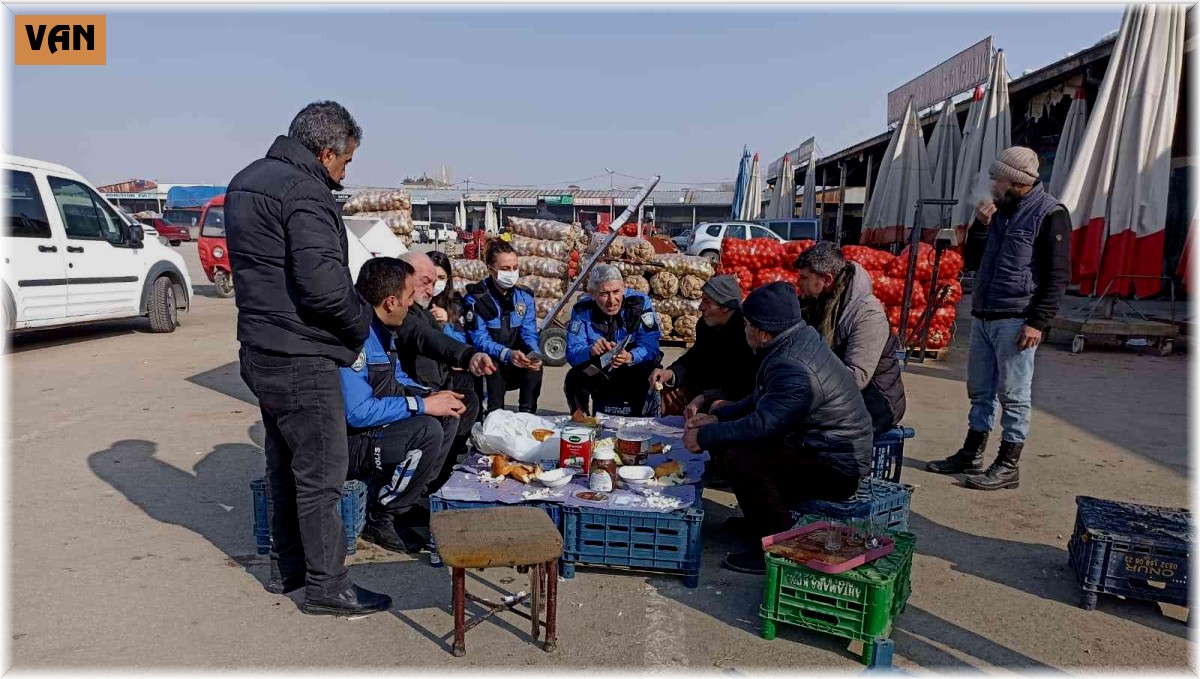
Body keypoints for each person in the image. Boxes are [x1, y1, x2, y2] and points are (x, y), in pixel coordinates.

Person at [227, 101, 390, 615]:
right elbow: (323, 288)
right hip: (301, 354)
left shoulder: (246, 181)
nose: (344, 174)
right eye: (345, 163)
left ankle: (289, 567)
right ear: (326, 153)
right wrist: (362, 322)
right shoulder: (306, 191)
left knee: (283, 464)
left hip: (260, 350)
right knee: (320, 475)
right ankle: (327, 586)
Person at [684, 282, 873, 575]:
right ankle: (759, 521)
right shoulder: (793, 341)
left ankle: (777, 545)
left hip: (836, 465)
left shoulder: (794, 365)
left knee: (742, 459)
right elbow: (762, 398)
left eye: (746, 324)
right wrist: (719, 417)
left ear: (761, 331)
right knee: (734, 444)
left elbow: (763, 425)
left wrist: (705, 436)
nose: (743, 329)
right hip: (813, 445)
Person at [926, 146, 1070, 491]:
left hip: (1017, 319)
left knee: (1014, 394)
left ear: (1016, 181)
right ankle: (972, 453)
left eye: (997, 178)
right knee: (981, 390)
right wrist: (980, 226)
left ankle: (1008, 464)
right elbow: (974, 261)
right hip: (985, 314)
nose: (991, 183)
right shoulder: (1000, 212)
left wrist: (1038, 321)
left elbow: (1058, 275)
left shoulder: (1051, 214)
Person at [340, 258, 466, 554]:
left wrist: (434, 396)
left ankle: (407, 500)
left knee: (448, 415)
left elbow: (395, 377)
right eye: (410, 298)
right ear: (391, 301)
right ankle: (382, 515)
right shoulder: (356, 338)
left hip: (375, 429)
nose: (412, 306)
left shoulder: (382, 331)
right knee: (427, 430)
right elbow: (357, 412)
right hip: (350, 442)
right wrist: (422, 404)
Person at [395, 251, 493, 493]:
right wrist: (467, 355)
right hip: (407, 389)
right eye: (426, 281)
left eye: (437, 281)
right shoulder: (403, 311)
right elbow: (425, 338)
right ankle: (419, 489)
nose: (431, 290)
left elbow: (439, 339)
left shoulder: (424, 310)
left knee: (467, 397)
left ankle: (441, 474)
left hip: (431, 381)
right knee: (449, 409)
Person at [794, 242, 906, 435]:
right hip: (836, 388)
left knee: (802, 425)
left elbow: (856, 377)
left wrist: (807, 387)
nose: (799, 283)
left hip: (875, 400)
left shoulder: (868, 314)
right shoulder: (817, 300)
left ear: (827, 279)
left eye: (804, 278)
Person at [649, 275, 756, 417]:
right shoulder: (705, 325)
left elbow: (745, 384)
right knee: (665, 391)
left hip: (734, 397)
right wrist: (671, 373)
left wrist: (706, 397)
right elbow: (695, 357)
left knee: (717, 408)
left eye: (707, 301)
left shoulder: (747, 333)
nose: (700, 307)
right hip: (702, 389)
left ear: (724, 307)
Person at [564, 263, 662, 416]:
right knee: (574, 378)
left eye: (616, 292)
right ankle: (582, 423)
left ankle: (642, 424)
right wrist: (590, 351)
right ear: (592, 293)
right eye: (604, 293)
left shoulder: (639, 303)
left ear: (624, 287)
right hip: (600, 366)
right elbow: (572, 352)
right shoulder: (582, 309)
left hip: (632, 364)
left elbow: (651, 344)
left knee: (650, 372)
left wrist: (631, 356)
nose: (612, 300)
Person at [464, 240, 545, 414]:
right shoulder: (477, 298)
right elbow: (480, 340)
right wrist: (507, 354)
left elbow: (529, 332)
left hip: (517, 363)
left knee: (535, 368)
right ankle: (492, 417)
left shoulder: (524, 297)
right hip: (491, 364)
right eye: (505, 269)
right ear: (490, 269)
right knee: (492, 366)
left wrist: (533, 353)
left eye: (515, 268)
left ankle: (528, 416)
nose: (512, 273)